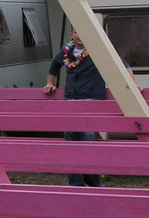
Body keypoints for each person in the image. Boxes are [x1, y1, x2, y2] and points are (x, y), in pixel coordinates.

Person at [43, 28, 106, 187]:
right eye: (77, 32)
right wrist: (50, 83)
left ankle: (92, 184)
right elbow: (54, 65)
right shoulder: (66, 51)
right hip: (71, 101)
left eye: (83, 32)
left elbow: (121, 64)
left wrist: (133, 85)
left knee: (89, 141)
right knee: (71, 142)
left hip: (91, 100)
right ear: (71, 34)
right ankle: (76, 184)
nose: (80, 36)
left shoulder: (97, 49)